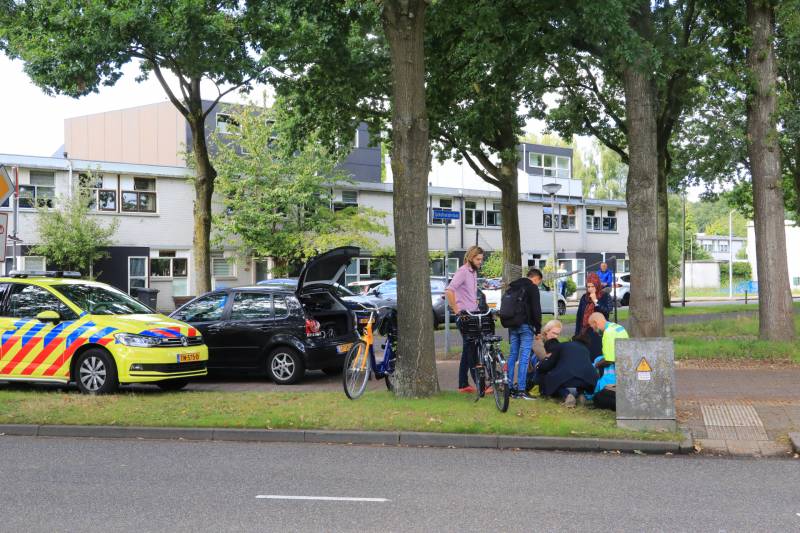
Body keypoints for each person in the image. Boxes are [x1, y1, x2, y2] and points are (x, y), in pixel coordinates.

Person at [446, 245, 484, 393]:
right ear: (470, 258)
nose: (480, 262)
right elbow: (449, 291)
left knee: (468, 349)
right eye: (478, 259)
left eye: (481, 259)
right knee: (472, 350)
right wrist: (457, 311)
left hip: (473, 314)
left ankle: (463, 385)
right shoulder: (463, 271)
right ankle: (480, 385)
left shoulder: (473, 272)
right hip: (464, 315)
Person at [504, 268, 542, 400]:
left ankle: (508, 387)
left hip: (512, 325)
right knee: (524, 357)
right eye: (539, 282)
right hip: (526, 326)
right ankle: (521, 390)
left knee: (513, 355)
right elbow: (536, 310)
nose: (538, 285)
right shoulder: (532, 288)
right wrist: (538, 329)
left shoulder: (513, 286)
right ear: (536, 278)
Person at [535, 333, 598, 408]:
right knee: (580, 377)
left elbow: (549, 364)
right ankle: (581, 395)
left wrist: (539, 366)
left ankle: (567, 395)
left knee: (550, 378)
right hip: (590, 379)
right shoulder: (585, 349)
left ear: (572, 339)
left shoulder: (562, 346)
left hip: (569, 375)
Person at [586, 312, 629, 410]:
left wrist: (596, 365)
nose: (593, 330)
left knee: (598, 398)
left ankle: (595, 392)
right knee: (598, 359)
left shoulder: (608, 333)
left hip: (616, 369)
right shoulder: (618, 327)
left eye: (592, 326)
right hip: (625, 363)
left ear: (595, 323)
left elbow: (609, 360)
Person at [574, 272, 611, 360]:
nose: (590, 289)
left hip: (597, 333)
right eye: (588, 286)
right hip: (584, 332)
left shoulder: (604, 296)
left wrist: (595, 301)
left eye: (592, 286)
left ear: (597, 285)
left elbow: (607, 312)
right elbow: (579, 316)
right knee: (585, 357)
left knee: (597, 356)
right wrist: (577, 333)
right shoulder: (584, 297)